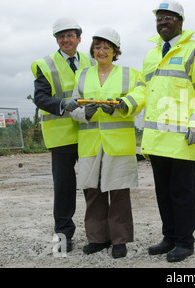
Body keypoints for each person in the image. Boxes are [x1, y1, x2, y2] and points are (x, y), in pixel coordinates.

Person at [126, 0, 195, 262]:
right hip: (157, 138)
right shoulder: (152, 54)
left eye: (168, 17)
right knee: (163, 193)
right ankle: (169, 237)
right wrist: (124, 105)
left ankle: (185, 242)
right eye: (159, 18)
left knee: (181, 193)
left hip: (181, 138)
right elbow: (142, 89)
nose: (162, 22)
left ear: (180, 22)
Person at [70, 27, 139, 258]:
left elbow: (140, 96)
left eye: (106, 47)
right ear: (92, 50)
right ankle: (98, 238)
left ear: (115, 51)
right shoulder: (82, 75)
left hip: (118, 144)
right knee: (93, 191)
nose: (101, 51)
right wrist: (84, 112)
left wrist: (121, 106)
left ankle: (119, 240)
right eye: (97, 47)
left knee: (119, 192)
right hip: (90, 143)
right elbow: (72, 106)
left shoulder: (129, 74)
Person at [31, 17, 96, 252]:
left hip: (88, 133)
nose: (65, 40)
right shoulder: (45, 64)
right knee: (64, 189)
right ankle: (63, 236)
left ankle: (96, 235)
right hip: (61, 137)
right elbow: (40, 97)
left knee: (92, 186)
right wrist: (61, 104)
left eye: (69, 35)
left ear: (79, 38)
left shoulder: (91, 60)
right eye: (60, 36)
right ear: (56, 40)